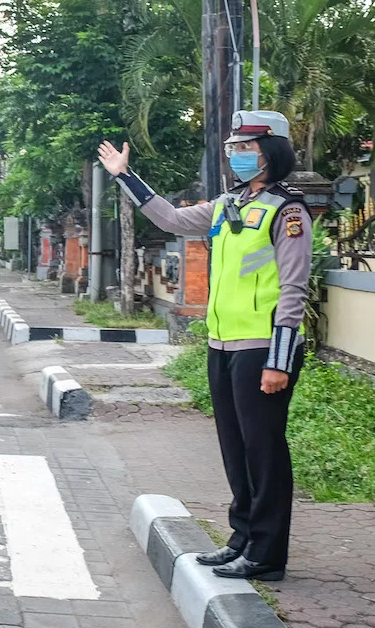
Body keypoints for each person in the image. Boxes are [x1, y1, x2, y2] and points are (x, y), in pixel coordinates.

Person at [98, 110, 311, 582]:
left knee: (264, 451)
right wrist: (126, 176)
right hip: (222, 346)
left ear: (270, 151)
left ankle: (267, 554)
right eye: (232, 148)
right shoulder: (226, 204)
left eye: (246, 148)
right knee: (235, 449)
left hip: (262, 348)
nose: (236, 155)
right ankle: (242, 538)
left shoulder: (288, 211)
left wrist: (278, 360)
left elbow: (294, 290)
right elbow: (172, 219)